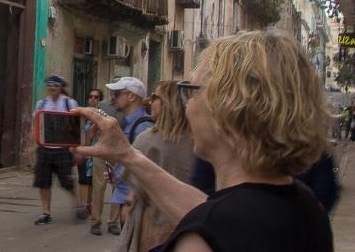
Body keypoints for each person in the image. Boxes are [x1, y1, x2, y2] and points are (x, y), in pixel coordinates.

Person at [72, 30, 333, 251]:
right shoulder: (304, 204)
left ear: (228, 110)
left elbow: (214, 223)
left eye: (192, 92)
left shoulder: (199, 242)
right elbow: (212, 214)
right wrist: (128, 156)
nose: (186, 107)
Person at [115, 81, 196, 252]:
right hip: (188, 220)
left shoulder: (147, 140)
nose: (150, 102)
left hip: (152, 222)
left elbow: (132, 186)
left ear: (167, 102)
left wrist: (129, 202)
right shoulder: (197, 140)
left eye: (155, 97)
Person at [103, 76, 154, 235]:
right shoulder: (129, 122)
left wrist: (131, 200)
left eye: (117, 94)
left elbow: (145, 168)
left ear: (131, 96)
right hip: (125, 195)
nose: (114, 98)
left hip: (133, 200)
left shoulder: (142, 126)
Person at [32, 75, 81, 225]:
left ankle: (77, 206)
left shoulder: (69, 103)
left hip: (63, 149)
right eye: (49, 85)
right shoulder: (41, 104)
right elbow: (36, 124)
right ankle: (46, 212)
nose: (51, 88)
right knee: (43, 181)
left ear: (60, 87)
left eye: (55, 85)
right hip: (44, 148)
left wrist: (76, 150)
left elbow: (76, 127)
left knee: (67, 181)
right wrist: (32, 144)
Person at [90, 78, 126, 236]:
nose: (115, 92)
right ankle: (95, 222)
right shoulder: (102, 106)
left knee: (118, 188)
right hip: (101, 151)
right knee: (99, 187)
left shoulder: (126, 108)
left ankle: (113, 222)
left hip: (118, 153)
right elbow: (94, 127)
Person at [75, 89, 104, 218]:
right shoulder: (81, 114)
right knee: (83, 178)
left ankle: (88, 203)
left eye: (96, 97)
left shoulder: (103, 115)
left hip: (97, 151)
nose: (93, 99)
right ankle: (82, 206)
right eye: (91, 96)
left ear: (100, 100)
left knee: (92, 180)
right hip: (83, 149)